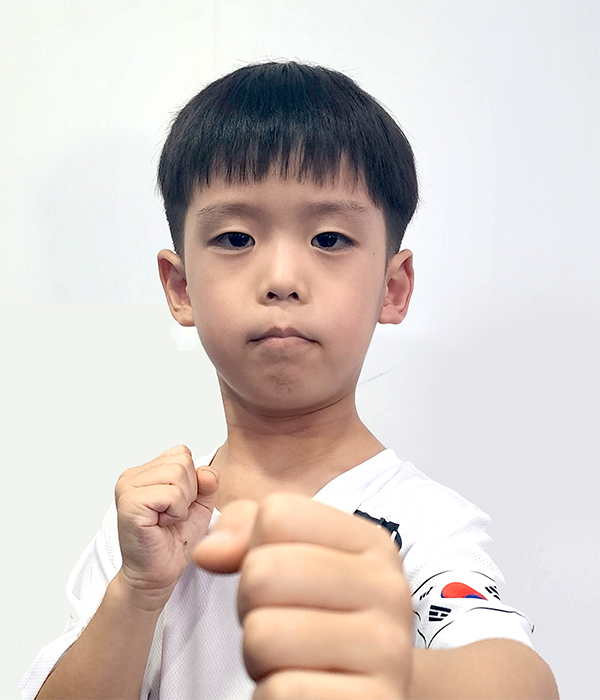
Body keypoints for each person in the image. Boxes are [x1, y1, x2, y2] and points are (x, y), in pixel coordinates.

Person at [20, 60, 558, 700]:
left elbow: (519, 677)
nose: (281, 278)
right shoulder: (151, 525)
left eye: (329, 238)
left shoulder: (423, 523)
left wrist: (400, 675)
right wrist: (137, 594)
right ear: (180, 287)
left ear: (392, 287)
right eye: (235, 237)